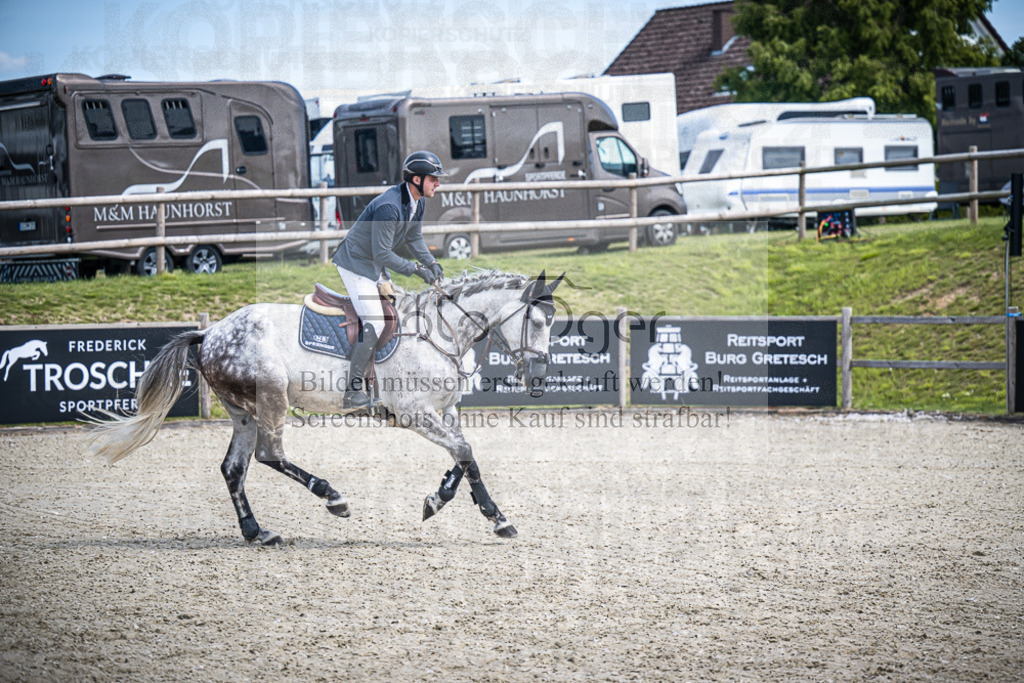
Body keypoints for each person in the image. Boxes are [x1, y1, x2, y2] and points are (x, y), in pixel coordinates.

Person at [331, 150, 447, 414]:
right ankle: (352, 392)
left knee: (397, 311)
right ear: (416, 179)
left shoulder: (417, 201)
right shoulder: (389, 207)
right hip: (355, 264)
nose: (437, 184)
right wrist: (416, 269)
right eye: (433, 179)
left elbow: (414, 238)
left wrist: (431, 262)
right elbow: (382, 254)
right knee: (375, 320)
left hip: (372, 263)